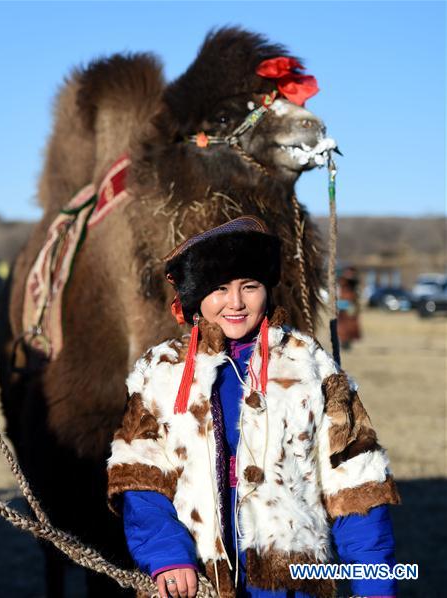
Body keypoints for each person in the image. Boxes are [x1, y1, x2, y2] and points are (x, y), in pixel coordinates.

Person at [107, 217, 399, 598]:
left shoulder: (310, 365)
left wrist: (375, 586)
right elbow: (140, 480)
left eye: (250, 286)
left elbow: (358, 486)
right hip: (195, 578)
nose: (236, 303)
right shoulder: (160, 372)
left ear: (267, 289)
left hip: (289, 582)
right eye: (219, 289)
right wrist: (166, 555)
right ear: (196, 296)